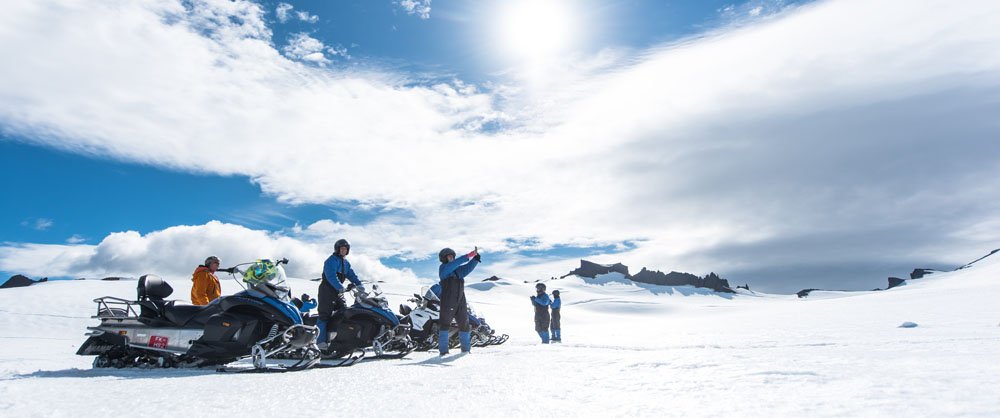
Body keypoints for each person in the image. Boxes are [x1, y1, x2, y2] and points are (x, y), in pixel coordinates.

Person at [316, 239, 366, 348]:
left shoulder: (346, 263)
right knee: (324, 315)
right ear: (337, 249)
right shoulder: (331, 260)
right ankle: (320, 342)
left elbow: (352, 275)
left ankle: (341, 339)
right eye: (342, 248)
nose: (343, 251)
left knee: (344, 312)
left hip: (338, 292)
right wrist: (340, 287)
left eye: (345, 249)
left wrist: (359, 285)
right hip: (327, 291)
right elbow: (331, 276)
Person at [437, 246, 480, 355]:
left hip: (461, 300)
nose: (451, 258)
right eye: (449, 256)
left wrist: (475, 260)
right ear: (444, 258)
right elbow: (454, 264)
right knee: (445, 324)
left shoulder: (457, 271)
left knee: (464, 324)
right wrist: (469, 255)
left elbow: (467, 269)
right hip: (448, 300)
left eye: (452, 256)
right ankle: (443, 352)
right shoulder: (443, 269)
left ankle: (465, 351)